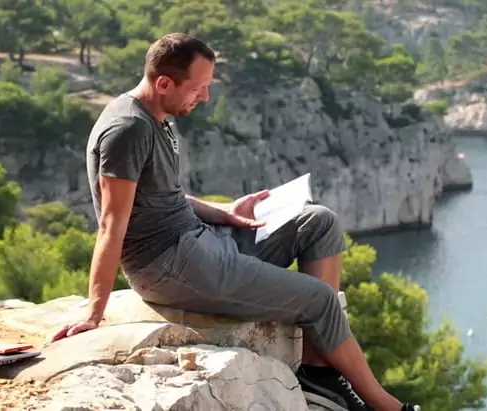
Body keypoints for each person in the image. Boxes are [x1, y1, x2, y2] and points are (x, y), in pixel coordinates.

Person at [49, 33, 421, 411]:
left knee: (319, 222)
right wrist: (95, 310)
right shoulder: (128, 130)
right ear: (164, 83)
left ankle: (316, 370)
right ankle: (386, 406)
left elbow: (163, 195)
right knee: (321, 301)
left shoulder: (157, 116)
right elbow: (113, 223)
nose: (205, 98)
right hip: (170, 264)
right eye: (200, 88)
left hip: (200, 239)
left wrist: (225, 212)